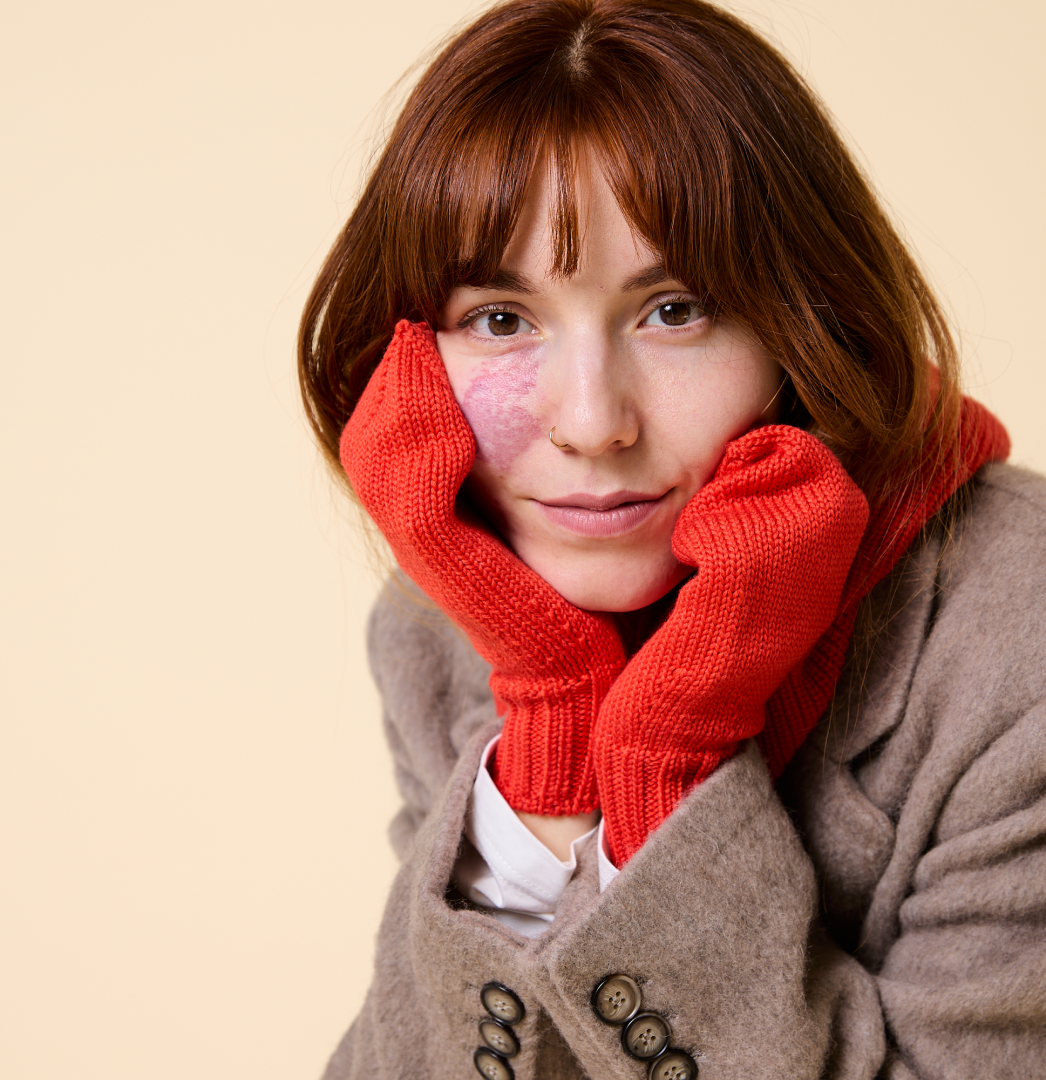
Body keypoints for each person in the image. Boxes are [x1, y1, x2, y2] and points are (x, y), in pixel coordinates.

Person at [297, 1, 1046, 1077]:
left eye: (676, 309)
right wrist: (553, 725)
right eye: (501, 321)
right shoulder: (435, 630)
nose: (593, 423)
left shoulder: (1016, 644)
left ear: (804, 324)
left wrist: (668, 760)